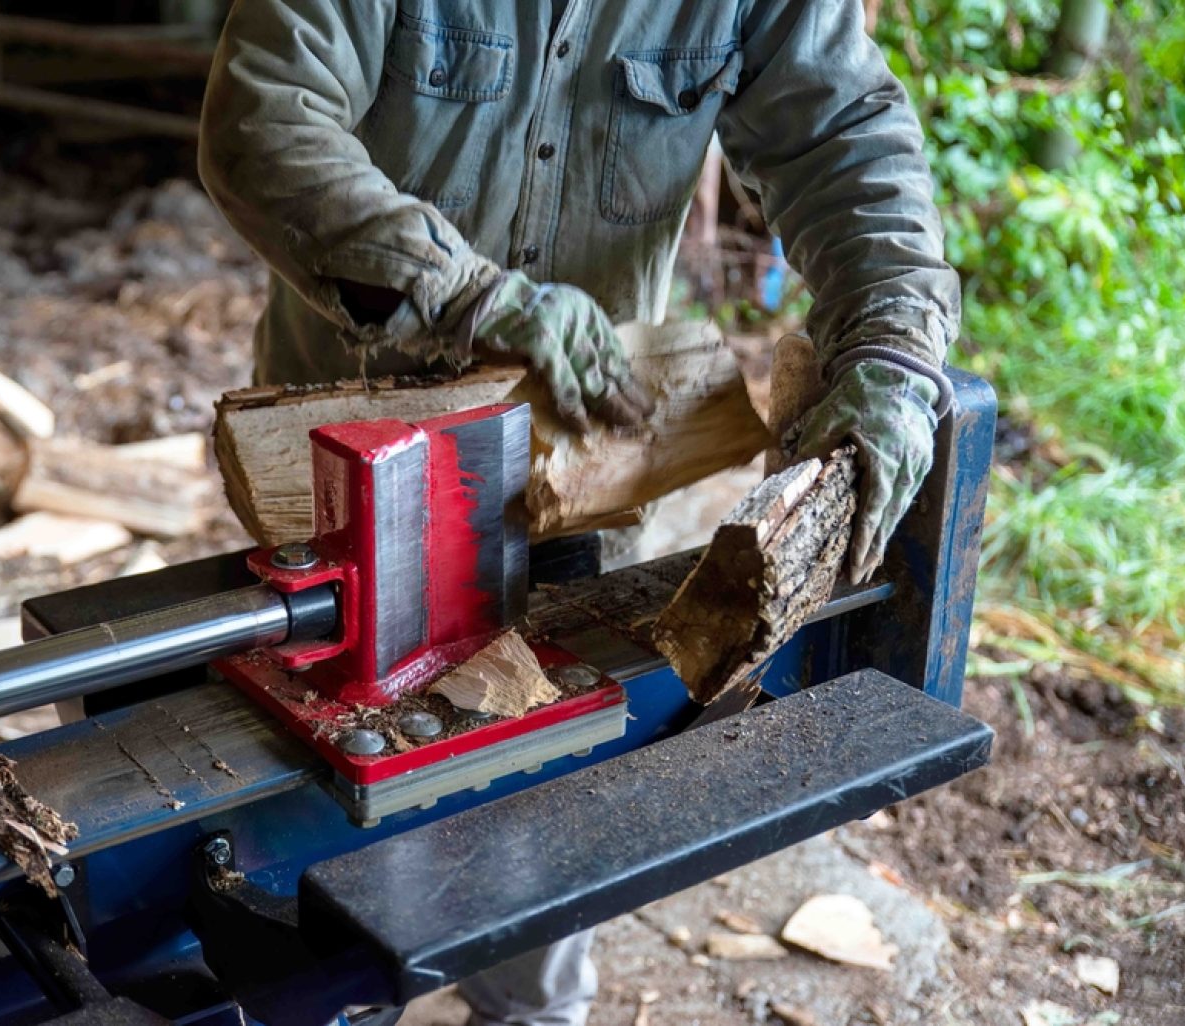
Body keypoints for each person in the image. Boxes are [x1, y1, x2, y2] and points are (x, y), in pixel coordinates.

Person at [199, 1, 959, 1022]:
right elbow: (261, 120)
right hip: (348, 466)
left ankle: (525, 1005)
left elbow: (843, 135)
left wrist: (896, 348)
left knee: (545, 819)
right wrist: (464, 294)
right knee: (321, 816)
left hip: (583, 467)